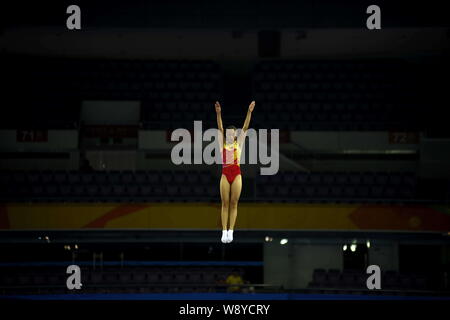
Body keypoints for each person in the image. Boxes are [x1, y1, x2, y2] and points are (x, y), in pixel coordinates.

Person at [215, 100, 255, 243]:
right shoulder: (222, 144)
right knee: (224, 203)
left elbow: (245, 127)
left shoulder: (239, 144)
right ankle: (224, 231)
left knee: (234, 202)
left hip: (236, 174)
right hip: (225, 174)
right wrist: (218, 113)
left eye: (232, 134)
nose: (230, 136)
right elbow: (219, 128)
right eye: (228, 134)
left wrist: (249, 112)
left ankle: (231, 231)